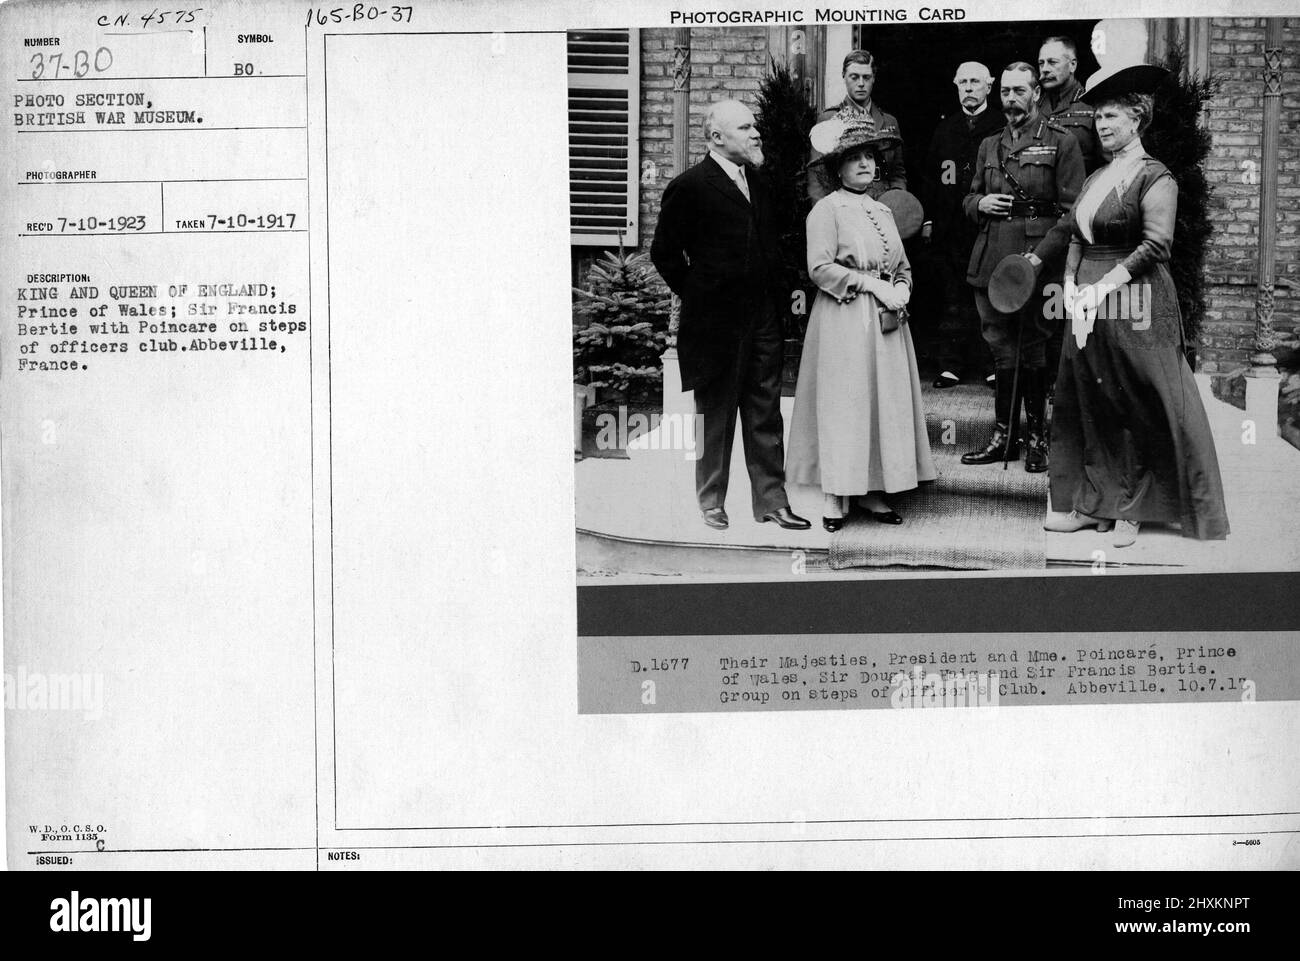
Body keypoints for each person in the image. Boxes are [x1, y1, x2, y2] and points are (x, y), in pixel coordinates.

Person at [1034, 66, 1230, 547]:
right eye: (1098, 116)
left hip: (1136, 297)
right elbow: (1078, 235)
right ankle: (1092, 503)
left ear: (1136, 119)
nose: (1101, 125)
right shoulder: (1098, 175)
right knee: (1089, 397)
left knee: (1136, 400)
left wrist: (1103, 289)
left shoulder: (1154, 175)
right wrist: (1070, 284)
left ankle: (1134, 509)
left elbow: (1157, 245)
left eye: (1111, 116)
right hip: (1086, 300)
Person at [650, 99, 810, 532]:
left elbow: (772, 247)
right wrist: (700, 296)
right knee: (715, 415)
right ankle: (712, 501)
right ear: (717, 137)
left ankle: (773, 502)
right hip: (715, 323)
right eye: (745, 127)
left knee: (765, 412)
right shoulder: (690, 186)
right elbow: (663, 253)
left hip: (762, 318)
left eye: (755, 125)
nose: (756, 133)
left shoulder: (759, 183)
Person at [786, 118, 937, 532]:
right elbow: (819, 268)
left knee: (878, 403)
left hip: (887, 322)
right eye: (855, 159)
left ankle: (871, 489)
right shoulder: (826, 210)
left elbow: (902, 264)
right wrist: (869, 283)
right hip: (844, 318)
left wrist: (902, 288)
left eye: (869, 157)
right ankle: (837, 493)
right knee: (845, 402)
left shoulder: (882, 209)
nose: (866, 165)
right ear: (837, 168)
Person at [960, 62, 1084, 473]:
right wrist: (979, 204)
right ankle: (1004, 436)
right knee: (1000, 348)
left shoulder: (1061, 143)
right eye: (1006, 92)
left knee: (1034, 348)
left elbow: (1073, 213)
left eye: (1019, 91)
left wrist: (1039, 257)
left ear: (1035, 94)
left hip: (1035, 263)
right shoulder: (989, 145)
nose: (1010, 99)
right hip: (993, 261)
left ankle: (1037, 439)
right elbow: (969, 197)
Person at [921, 61, 1005, 389]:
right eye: (963, 82)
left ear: (989, 86)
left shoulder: (999, 125)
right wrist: (928, 221)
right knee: (952, 296)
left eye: (975, 82)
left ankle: (991, 364)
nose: (969, 88)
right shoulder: (946, 129)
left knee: (990, 295)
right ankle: (950, 365)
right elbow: (930, 178)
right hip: (950, 228)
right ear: (956, 86)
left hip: (988, 226)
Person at [808, 50, 906, 203]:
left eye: (866, 77)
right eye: (854, 77)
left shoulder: (889, 122)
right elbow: (817, 179)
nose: (861, 83)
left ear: (873, 78)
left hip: (882, 206)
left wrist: (897, 204)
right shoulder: (829, 120)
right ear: (844, 77)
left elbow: (897, 174)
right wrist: (826, 216)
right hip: (846, 207)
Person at [1038, 36, 1102, 174]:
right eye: (1041, 63)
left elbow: (1108, 162)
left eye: (1052, 62)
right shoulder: (1033, 107)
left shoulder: (1092, 105)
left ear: (1073, 65)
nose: (1044, 69)